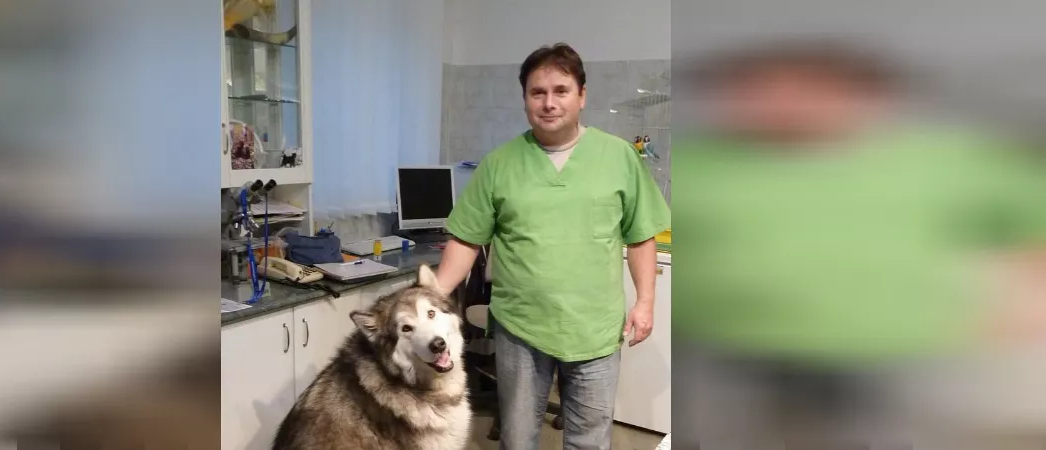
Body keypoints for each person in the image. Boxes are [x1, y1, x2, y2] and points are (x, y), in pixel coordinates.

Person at [675, 41, 1046, 449]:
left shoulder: (945, 156)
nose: (782, 102)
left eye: (806, 87)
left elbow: (1032, 221)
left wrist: (1023, 307)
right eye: (758, 88)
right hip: (733, 355)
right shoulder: (700, 162)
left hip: (902, 356)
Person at [433, 43, 671, 450]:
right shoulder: (500, 164)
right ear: (525, 98)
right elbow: (467, 239)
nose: (548, 103)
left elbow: (640, 236)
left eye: (561, 90)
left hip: (595, 329)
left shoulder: (618, 158)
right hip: (520, 328)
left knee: (589, 440)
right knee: (518, 439)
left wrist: (645, 302)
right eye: (537, 92)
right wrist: (431, 297)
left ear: (582, 95)